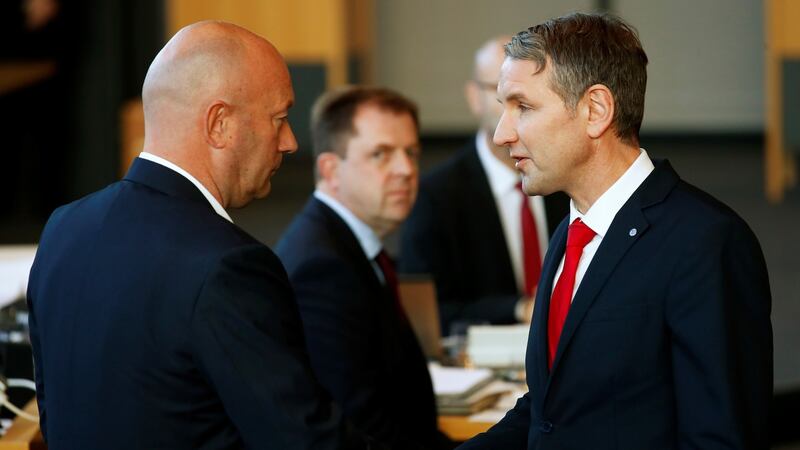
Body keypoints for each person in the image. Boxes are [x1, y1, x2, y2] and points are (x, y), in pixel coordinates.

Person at [27, 21, 376, 450]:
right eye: (280, 118)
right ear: (219, 124)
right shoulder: (228, 266)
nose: (289, 143)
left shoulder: (64, 227)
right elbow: (303, 441)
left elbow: (53, 415)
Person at [457, 12, 772, 450]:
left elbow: (719, 439)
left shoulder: (705, 242)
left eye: (523, 107)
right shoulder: (572, 227)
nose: (500, 134)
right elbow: (552, 411)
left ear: (596, 111)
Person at [277, 86, 451, 450]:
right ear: (330, 169)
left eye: (412, 153)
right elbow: (360, 423)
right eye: (381, 154)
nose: (406, 170)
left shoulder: (348, 244)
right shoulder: (321, 267)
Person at [400, 36, 568, 334]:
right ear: (473, 97)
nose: (513, 108)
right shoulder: (435, 195)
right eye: (499, 92)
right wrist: (520, 308)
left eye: (526, 97)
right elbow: (427, 313)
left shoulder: (566, 179)